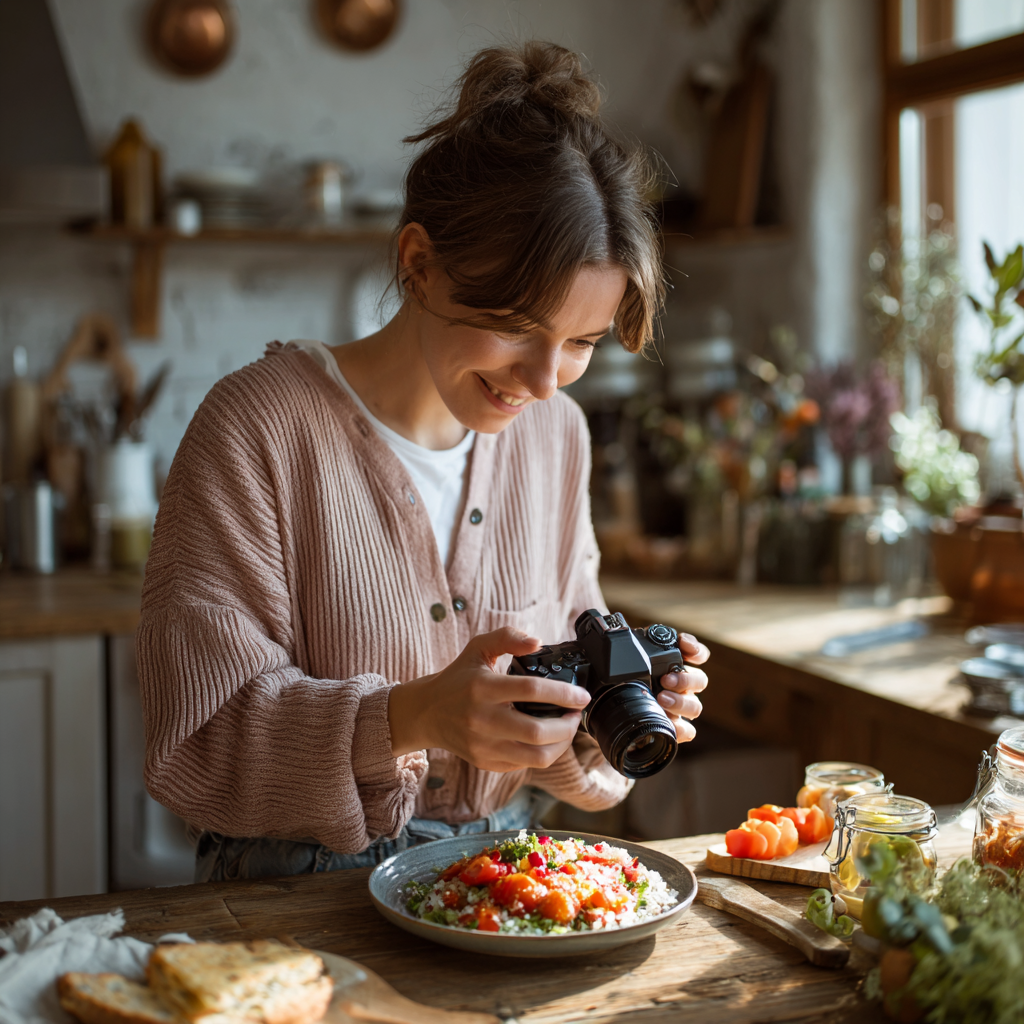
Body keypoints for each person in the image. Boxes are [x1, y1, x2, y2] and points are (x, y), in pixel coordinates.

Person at [137, 40, 710, 883]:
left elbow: (563, 672)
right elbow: (198, 741)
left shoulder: (557, 437)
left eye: (582, 343)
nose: (546, 382)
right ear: (418, 265)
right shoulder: (257, 428)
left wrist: (607, 709)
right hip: (295, 912)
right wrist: (410, 717)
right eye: (516, 326)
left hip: (510, 884)